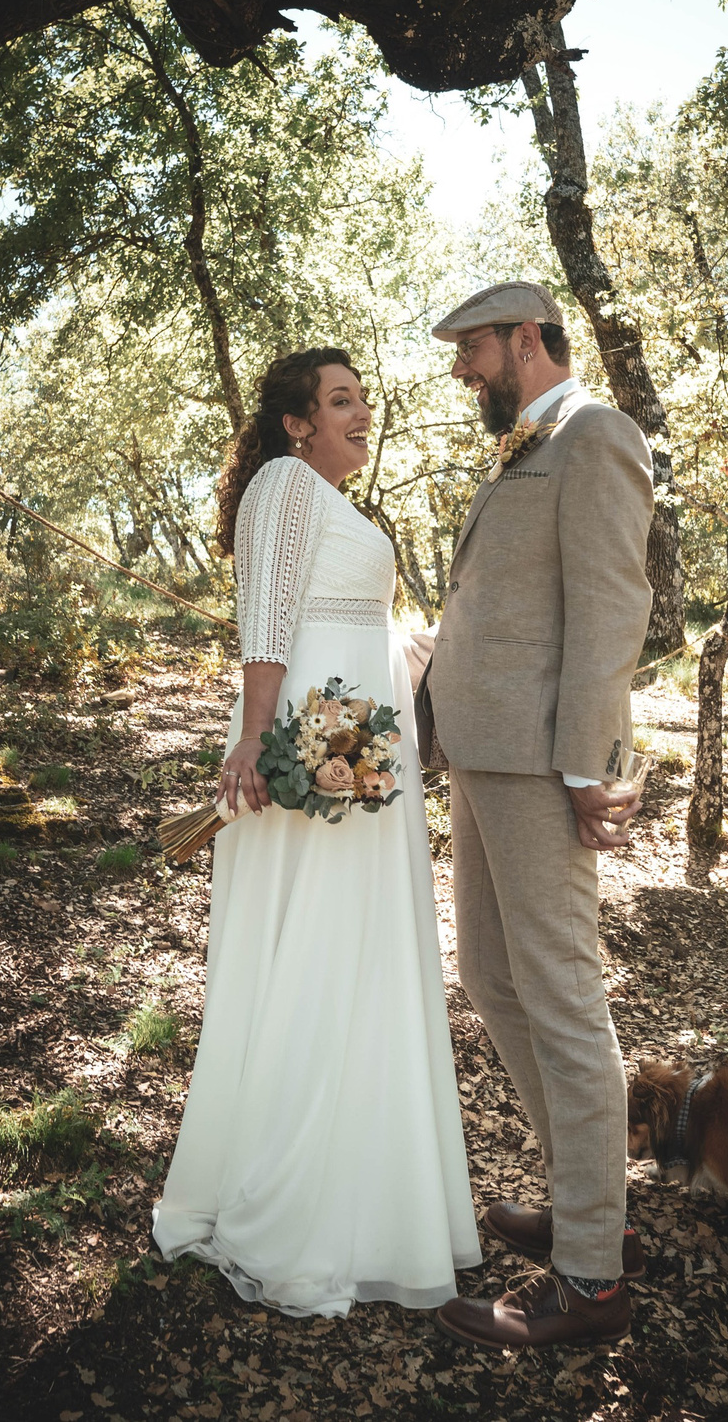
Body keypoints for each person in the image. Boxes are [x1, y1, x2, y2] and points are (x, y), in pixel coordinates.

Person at [151, 348, 482, 1317]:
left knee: (363, 959)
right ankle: (294, 1209)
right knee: (316, 954)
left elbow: (347, 617)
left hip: (361, 736)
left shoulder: (329, 500)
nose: (361, 413)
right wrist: (256, 742)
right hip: (313, 738)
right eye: (340, 400)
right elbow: (266, 622)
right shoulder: (285, 485)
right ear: (296, 422)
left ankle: (372, 1201)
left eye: (362, 397)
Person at [414, 283, 653, 1349]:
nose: (462, 369)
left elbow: (609, 611)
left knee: (560, 1000)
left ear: (524, 338)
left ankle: (592, 1281)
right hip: (478, 757)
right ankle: (584, 1198)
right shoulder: (522, 443)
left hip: (539, 769)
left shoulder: (593, 434)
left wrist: (590, 768)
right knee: (492, 978)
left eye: (472, 349)